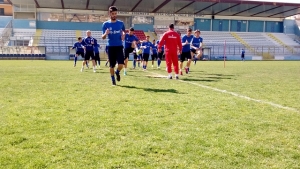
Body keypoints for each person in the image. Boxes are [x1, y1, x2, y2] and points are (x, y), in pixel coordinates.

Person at [102, 6, 125, 86]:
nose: (114, 15)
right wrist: (106, 33)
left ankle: (117, 72)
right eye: (113, 14)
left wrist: (123, 35)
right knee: (112, 65)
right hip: (111, 47)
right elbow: (103, 37)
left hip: (119, 46)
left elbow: (123, 32)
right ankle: (113, 80)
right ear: (109, 14)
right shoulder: (105, 24)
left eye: (115, 13)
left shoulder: (121, 23)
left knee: (121, 64)